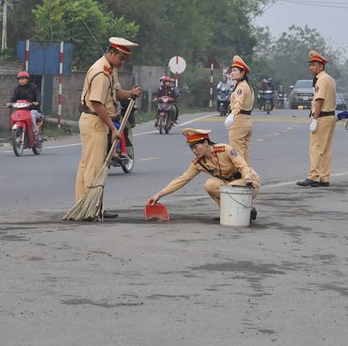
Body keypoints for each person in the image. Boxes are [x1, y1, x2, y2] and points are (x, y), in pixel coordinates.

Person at [75, 37, 143, 217]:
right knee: (94, 167)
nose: (122, 62)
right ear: (111, 53)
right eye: (121, 58)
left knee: (87, 165)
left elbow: (114, 93)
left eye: (125, 60)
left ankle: (85, 206)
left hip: (97, 121)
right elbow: (97, 103)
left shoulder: (110, 69)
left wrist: (130, 93)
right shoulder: (101, 72)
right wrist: (113, 129)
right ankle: (92, 209)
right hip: (94, 121)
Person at [147, 128, 259, 220]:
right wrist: (159, 195)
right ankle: (228, 214)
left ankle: (244, 211)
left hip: (249, 183)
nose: (194, 151)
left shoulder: (224, 149)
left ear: (206, 143)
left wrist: (248, 178)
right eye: (191, 148)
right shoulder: (199, 162)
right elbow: (181, 179)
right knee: (210, 185)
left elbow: (243, 166)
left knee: (228, 189)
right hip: (229, 184)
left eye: (196, 147)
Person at [297, 50, 337, 188]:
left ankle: (313, 176)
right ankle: (324, 177)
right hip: (330, 116)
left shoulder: (322, 80)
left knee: (316, 148)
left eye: (314, 65)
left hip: (322, 117)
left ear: (321, 66)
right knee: (326, 149)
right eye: (310, 65)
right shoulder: (330, 79)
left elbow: (319, 100)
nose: (311, 68)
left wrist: (315, 119)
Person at [224, 55, 255, 164]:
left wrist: (232, 114)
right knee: (245, 153)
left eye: (235, 70)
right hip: (247, 121)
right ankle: (249, 177)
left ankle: (241, 178)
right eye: (231, 71)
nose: (232, 73)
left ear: (242, 73)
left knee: (237, 153)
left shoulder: (241, 86)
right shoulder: (247, 85)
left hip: (239, 121)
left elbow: (238, 101)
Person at [6, 71, 42, 140]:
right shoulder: (17, 89)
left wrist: (37, 101)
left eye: (23, 79)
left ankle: (35, 132)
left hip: (33, 110)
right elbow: (13, 97)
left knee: (32, 114)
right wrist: (10, 103)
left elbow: (38, 95)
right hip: (22, 110)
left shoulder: (33, 87)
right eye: (19, 79)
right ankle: (15, 133)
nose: (21, 81)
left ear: (27, 79)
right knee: (14, 114)